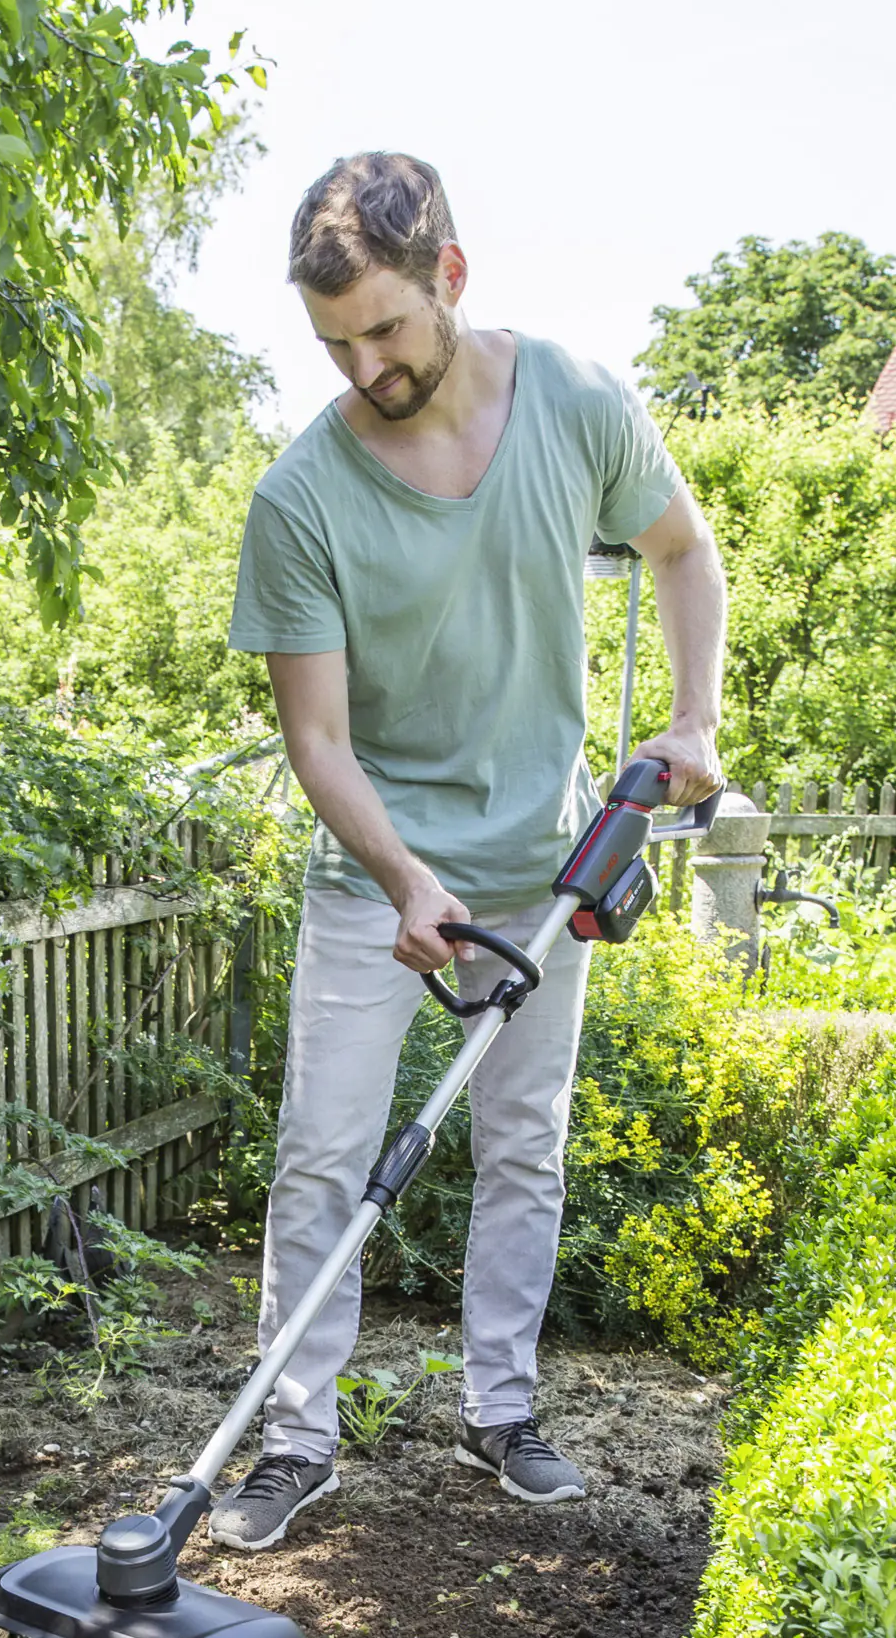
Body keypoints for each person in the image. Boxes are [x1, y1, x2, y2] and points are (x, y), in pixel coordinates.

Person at [211, 150, 726, 1551]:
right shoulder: (299, 499)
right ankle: (293, 1435)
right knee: (321, 1157)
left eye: (382, 327)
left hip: (544, 864)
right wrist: (400, 876)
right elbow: (318, 742)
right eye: (333, 343)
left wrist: (692, 718)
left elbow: (682, 550)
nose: (363, 364)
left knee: (524, 1144)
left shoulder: (571, 398)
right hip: (374, 879)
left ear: (449, 275)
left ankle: (501, 1410)